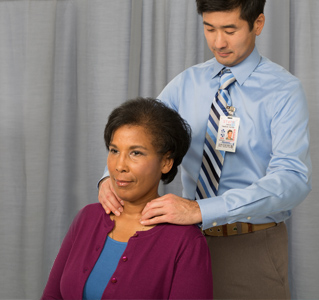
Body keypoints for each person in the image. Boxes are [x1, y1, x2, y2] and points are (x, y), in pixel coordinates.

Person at [98, 0, 312, 299]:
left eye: (230, 29)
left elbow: (292, 179)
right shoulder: (187, 82)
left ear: (258, 24)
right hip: (182, 240)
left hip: (249, 245)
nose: (218, 42)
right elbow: (139, 133)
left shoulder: (284, 91)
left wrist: (201, 210)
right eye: (209, 29)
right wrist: (107, 179)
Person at [41, 98, 213, 300]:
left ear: (166, 162)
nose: (119, 165)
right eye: (114, 150)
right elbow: (52, 296)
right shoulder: (87, 218)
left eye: (135, 153)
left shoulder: (186, 242)